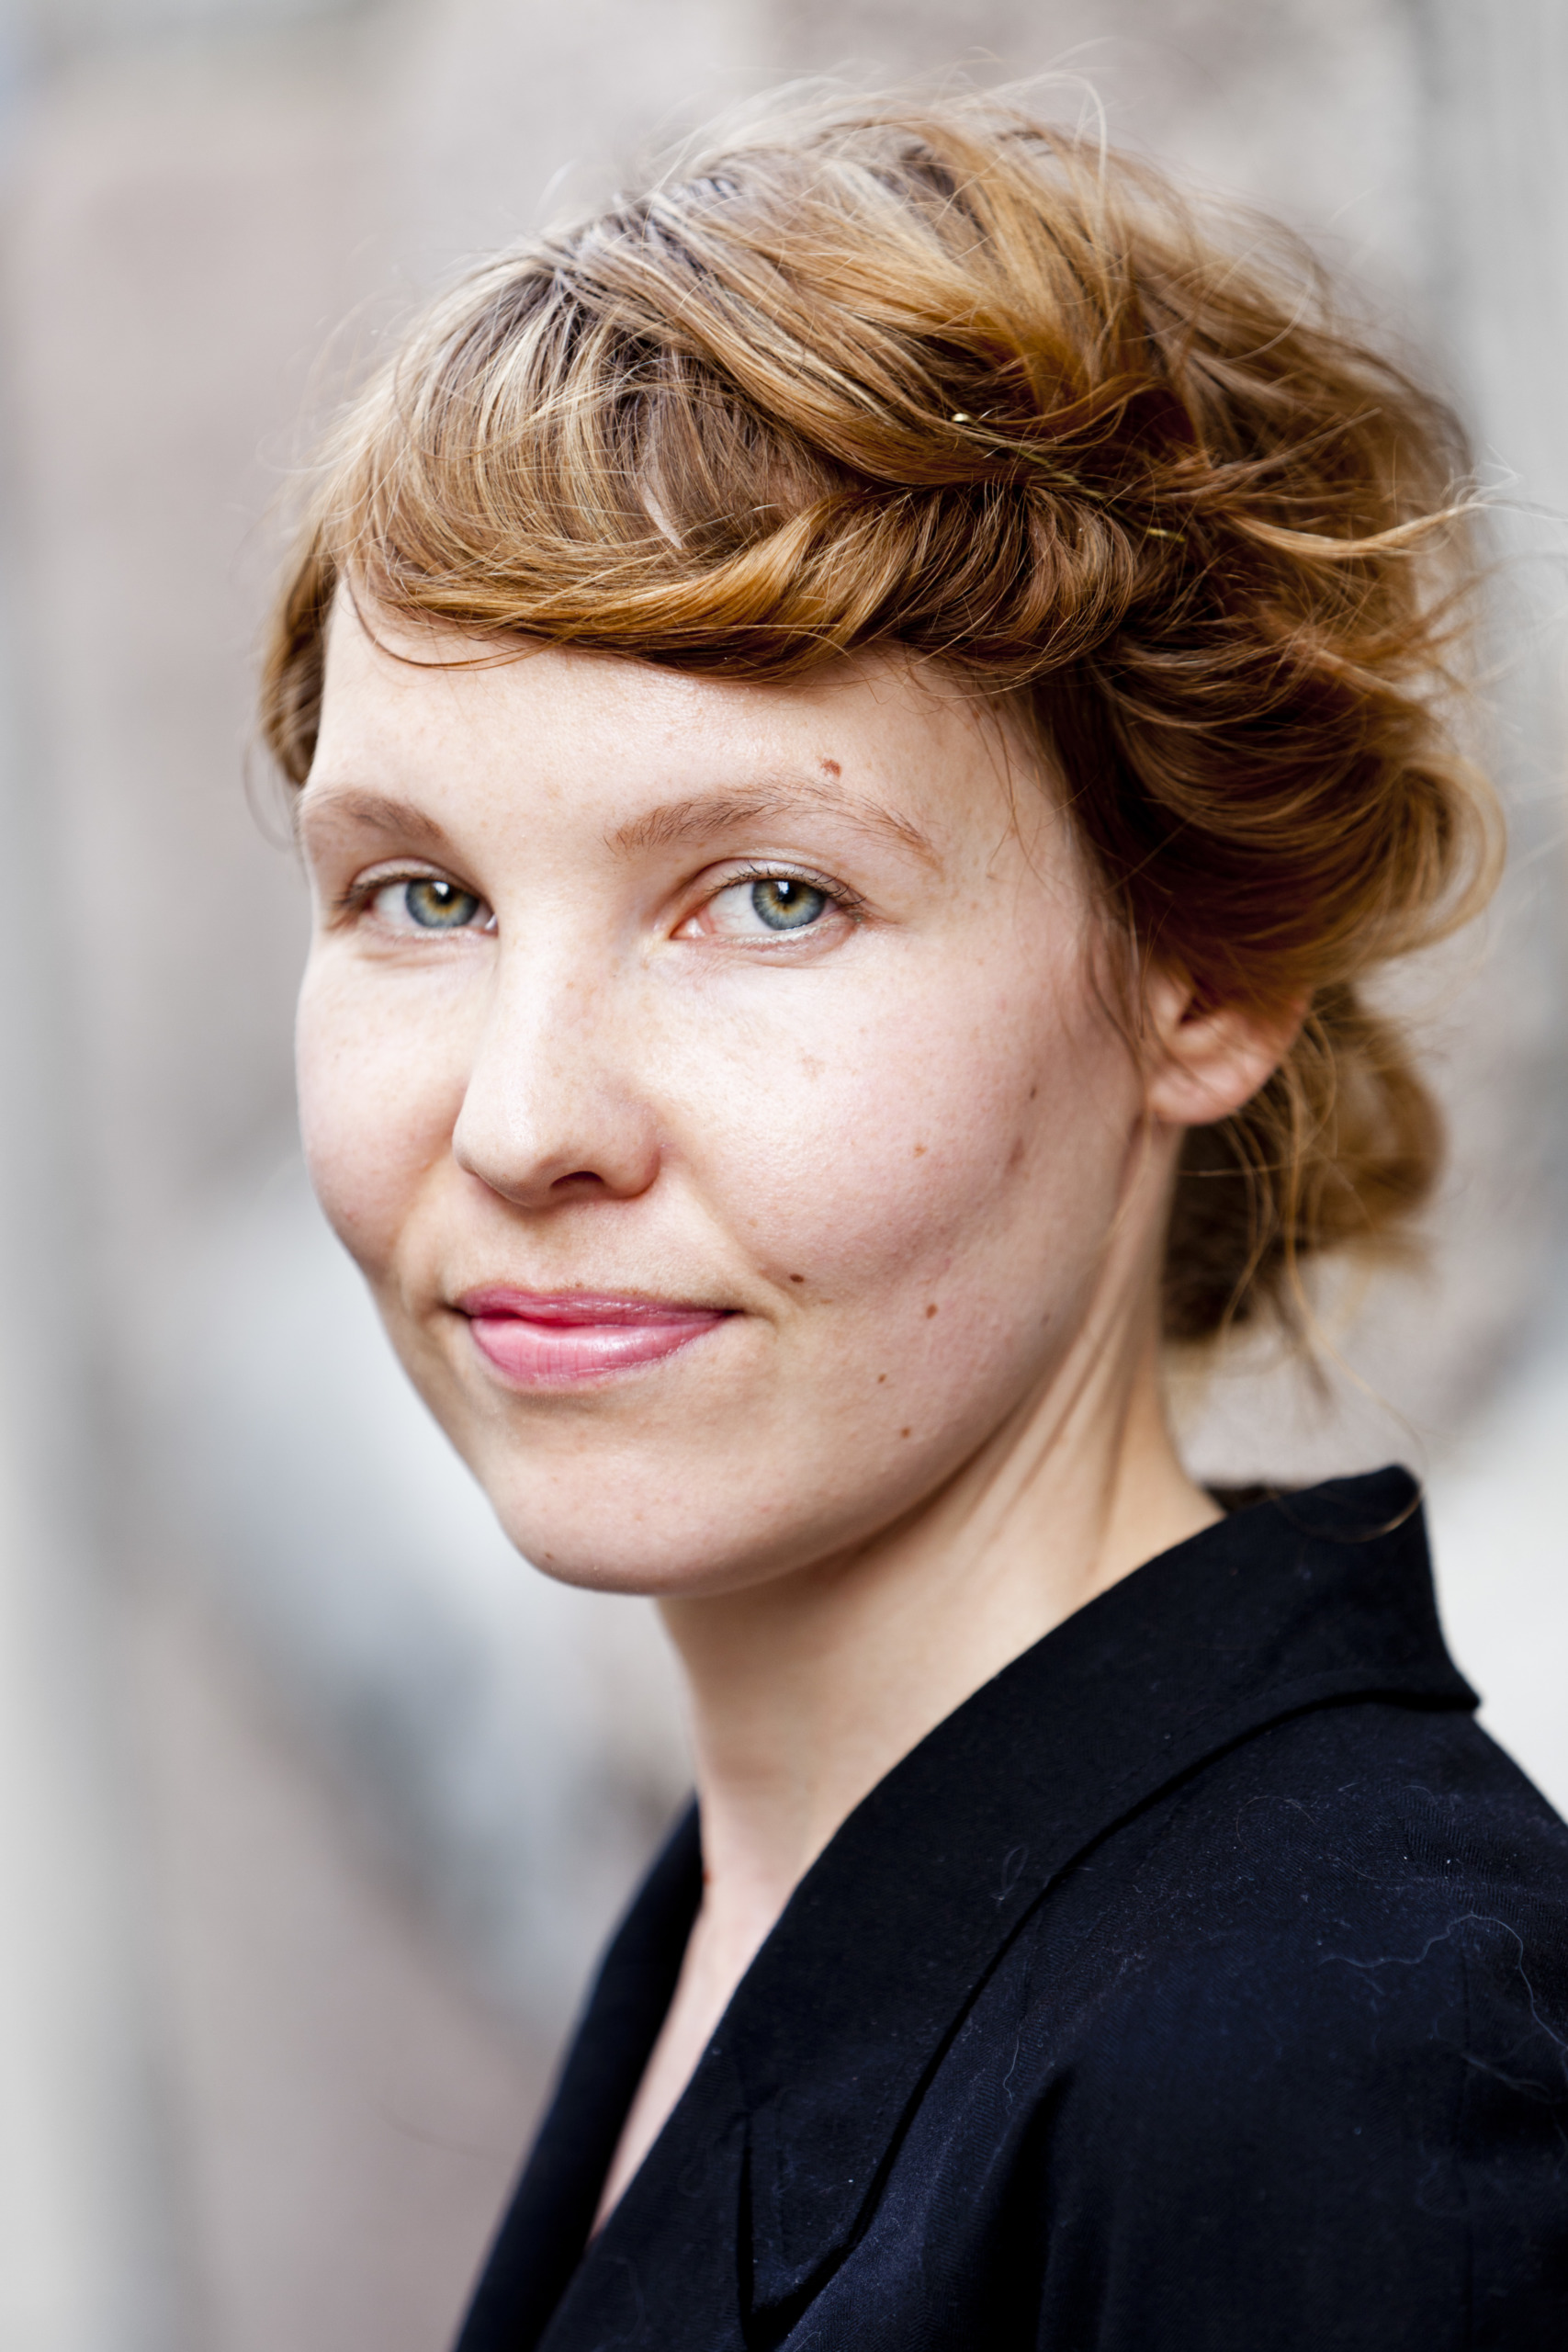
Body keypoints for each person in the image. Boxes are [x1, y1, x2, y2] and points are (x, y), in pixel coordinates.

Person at [262, 90, 1568, 2350]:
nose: (524, 1117)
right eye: (420, 894)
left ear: (1200, 969)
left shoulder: (1342, 2072)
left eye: (769, 897)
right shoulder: (763, 1903)